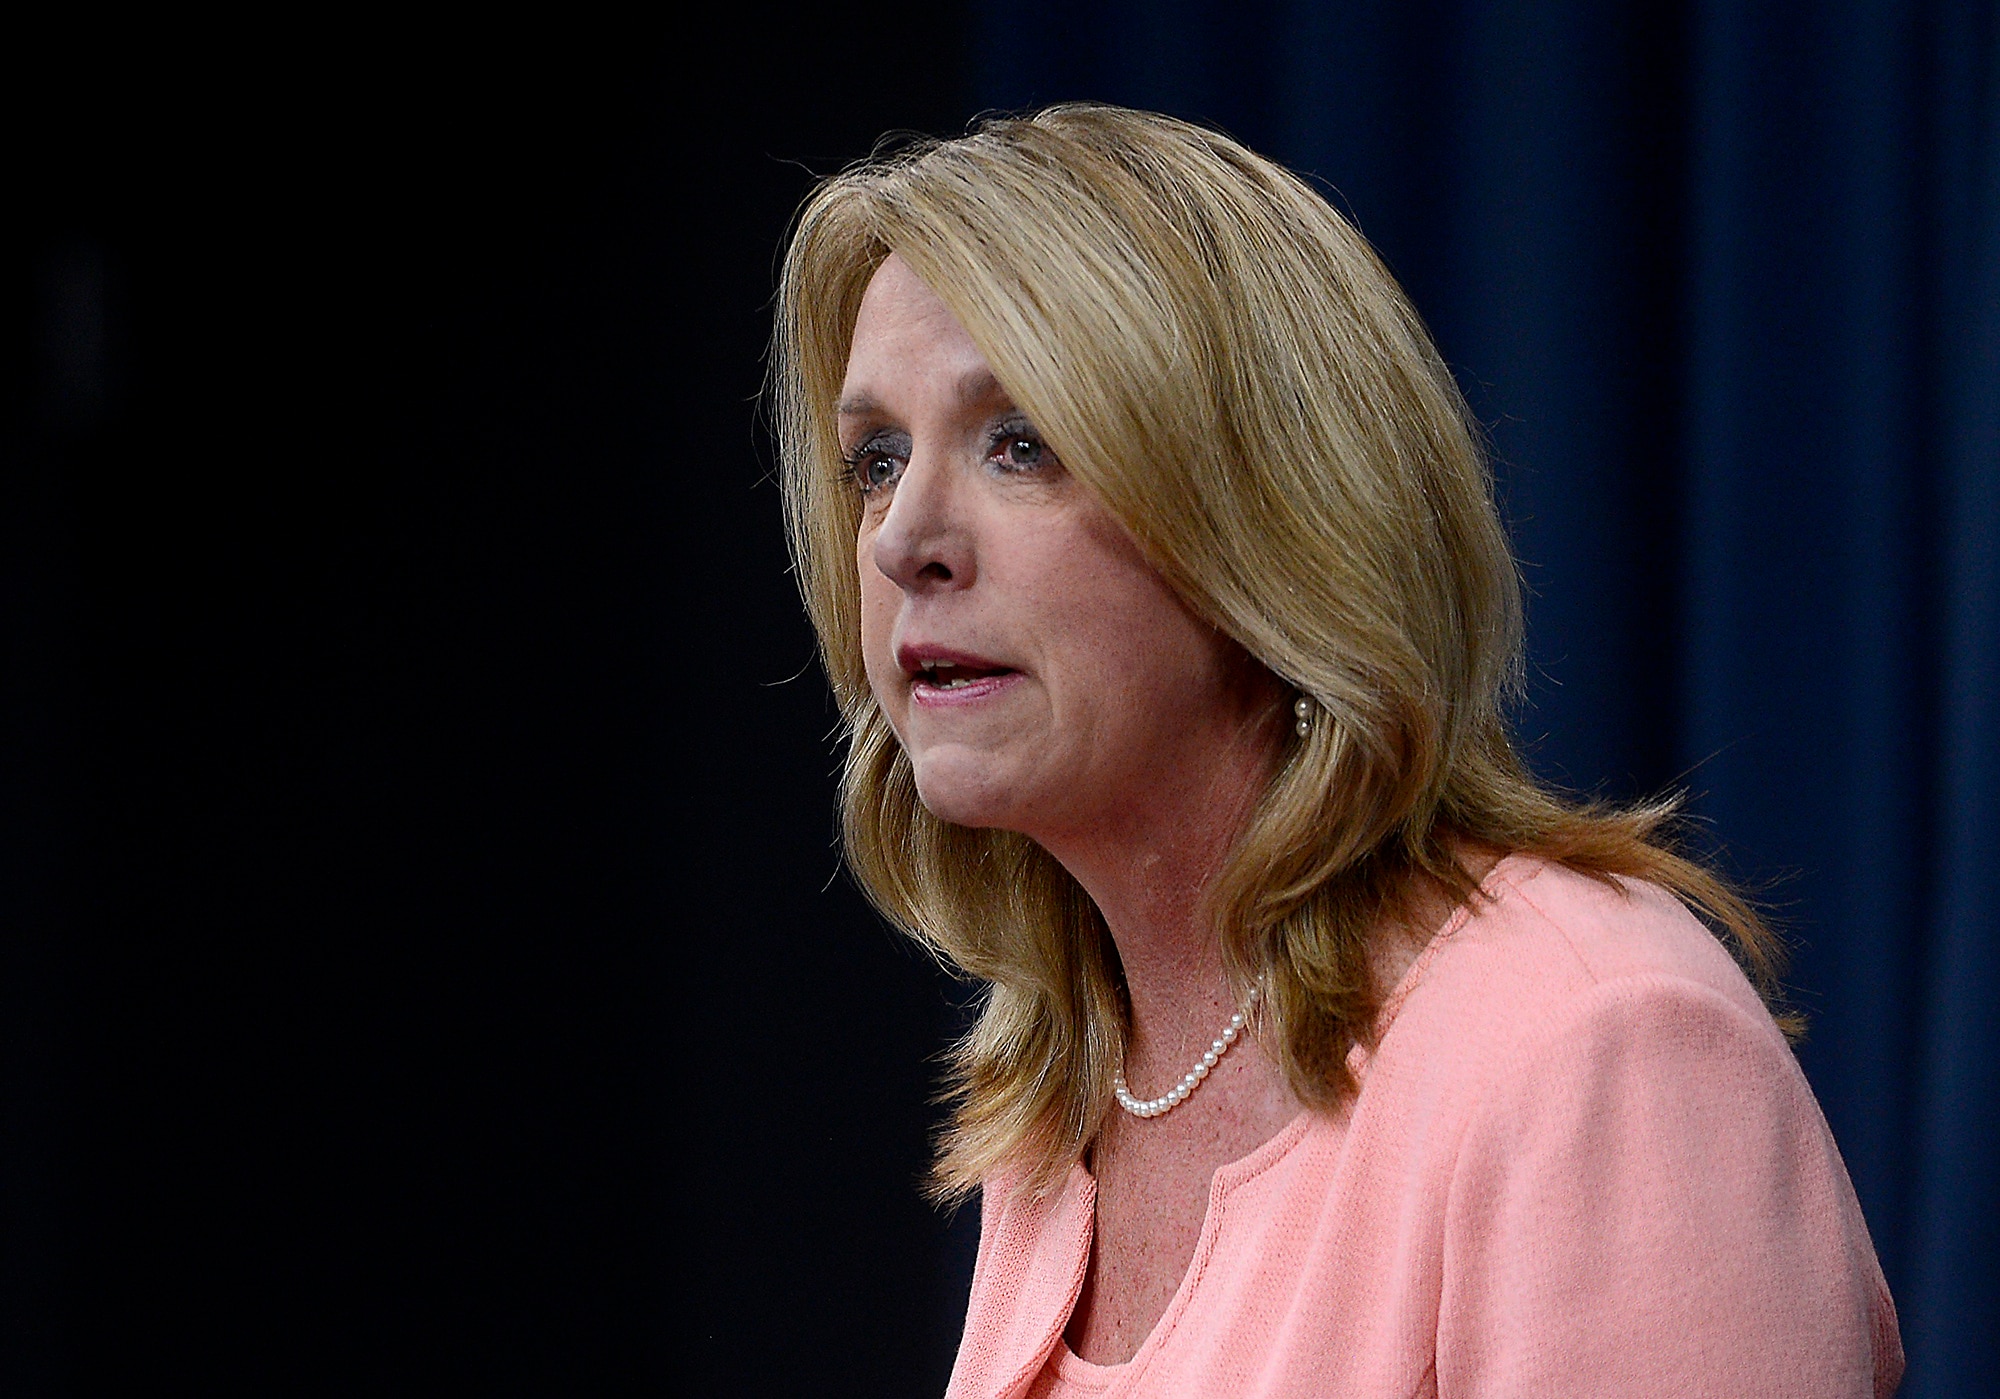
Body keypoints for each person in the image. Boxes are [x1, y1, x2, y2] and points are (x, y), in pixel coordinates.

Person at [770, 105, 1902, 1398]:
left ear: (1267, 512)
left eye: (1020, 441)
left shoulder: (1595, 1050)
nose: (902, 537)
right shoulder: (1080, 1090)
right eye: (875, 459)